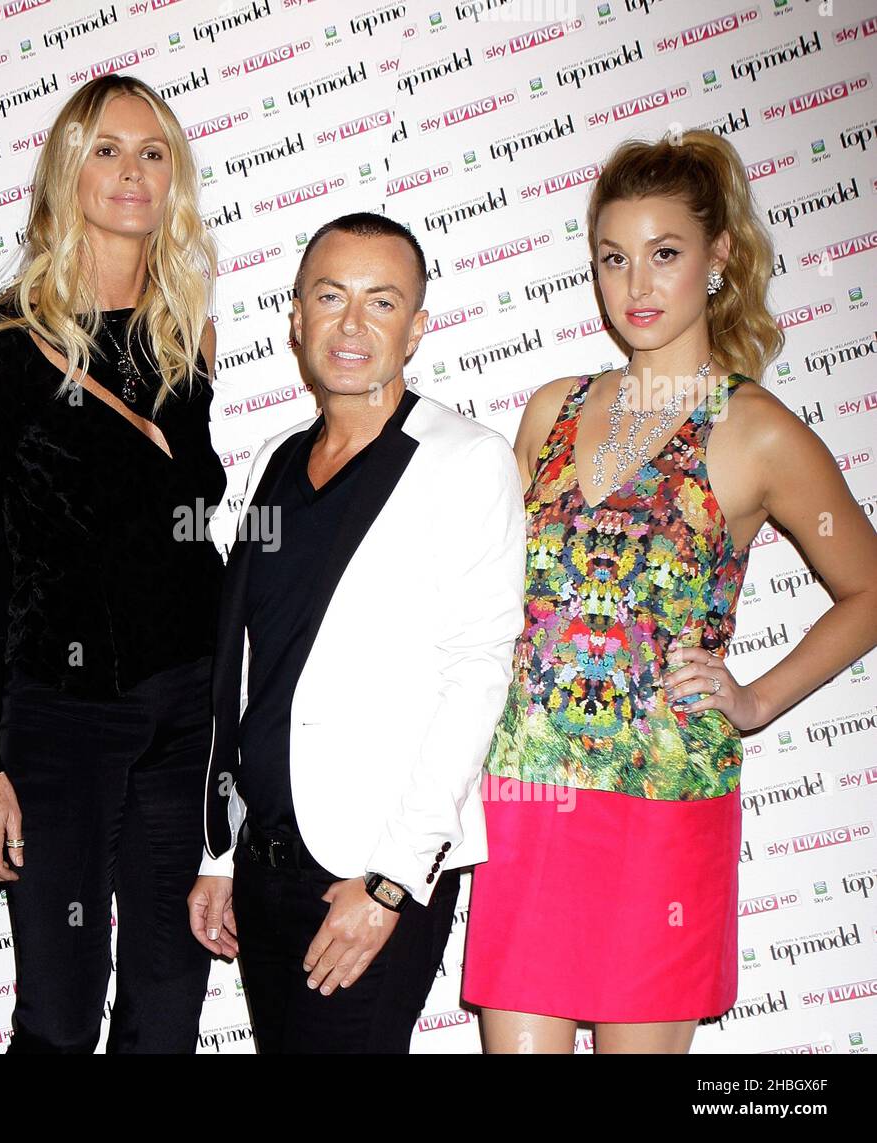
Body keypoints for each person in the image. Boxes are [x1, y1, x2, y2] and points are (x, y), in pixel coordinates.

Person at [461, 129, 877, 1053]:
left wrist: (756, 697)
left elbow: (869, 588)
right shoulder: (552, 410)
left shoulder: (758, 431)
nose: (636, 286)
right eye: (614, 258)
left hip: (661, 810)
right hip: (529, 794)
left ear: (717, 258)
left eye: (664, 254)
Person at [188, 213, 527, 1053]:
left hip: (372, 861)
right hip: (262, 855)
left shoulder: (465, 458)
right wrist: (221, 852)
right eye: (330, 296)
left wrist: (389, 882)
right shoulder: (270, 459)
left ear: (415, 328)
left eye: (381, 302)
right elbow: (243, 669)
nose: (350, 323)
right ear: (296, 316)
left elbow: (478, 673)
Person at [0, 75, 224, 1054]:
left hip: (187, 711)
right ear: (66, 172)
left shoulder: (187, 339)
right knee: (56, 1015)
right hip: (59, 719)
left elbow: (185, 529)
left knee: (167, 1003)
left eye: (151, 151)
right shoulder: (3, 348)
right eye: (105, 148)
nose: (131, 171)